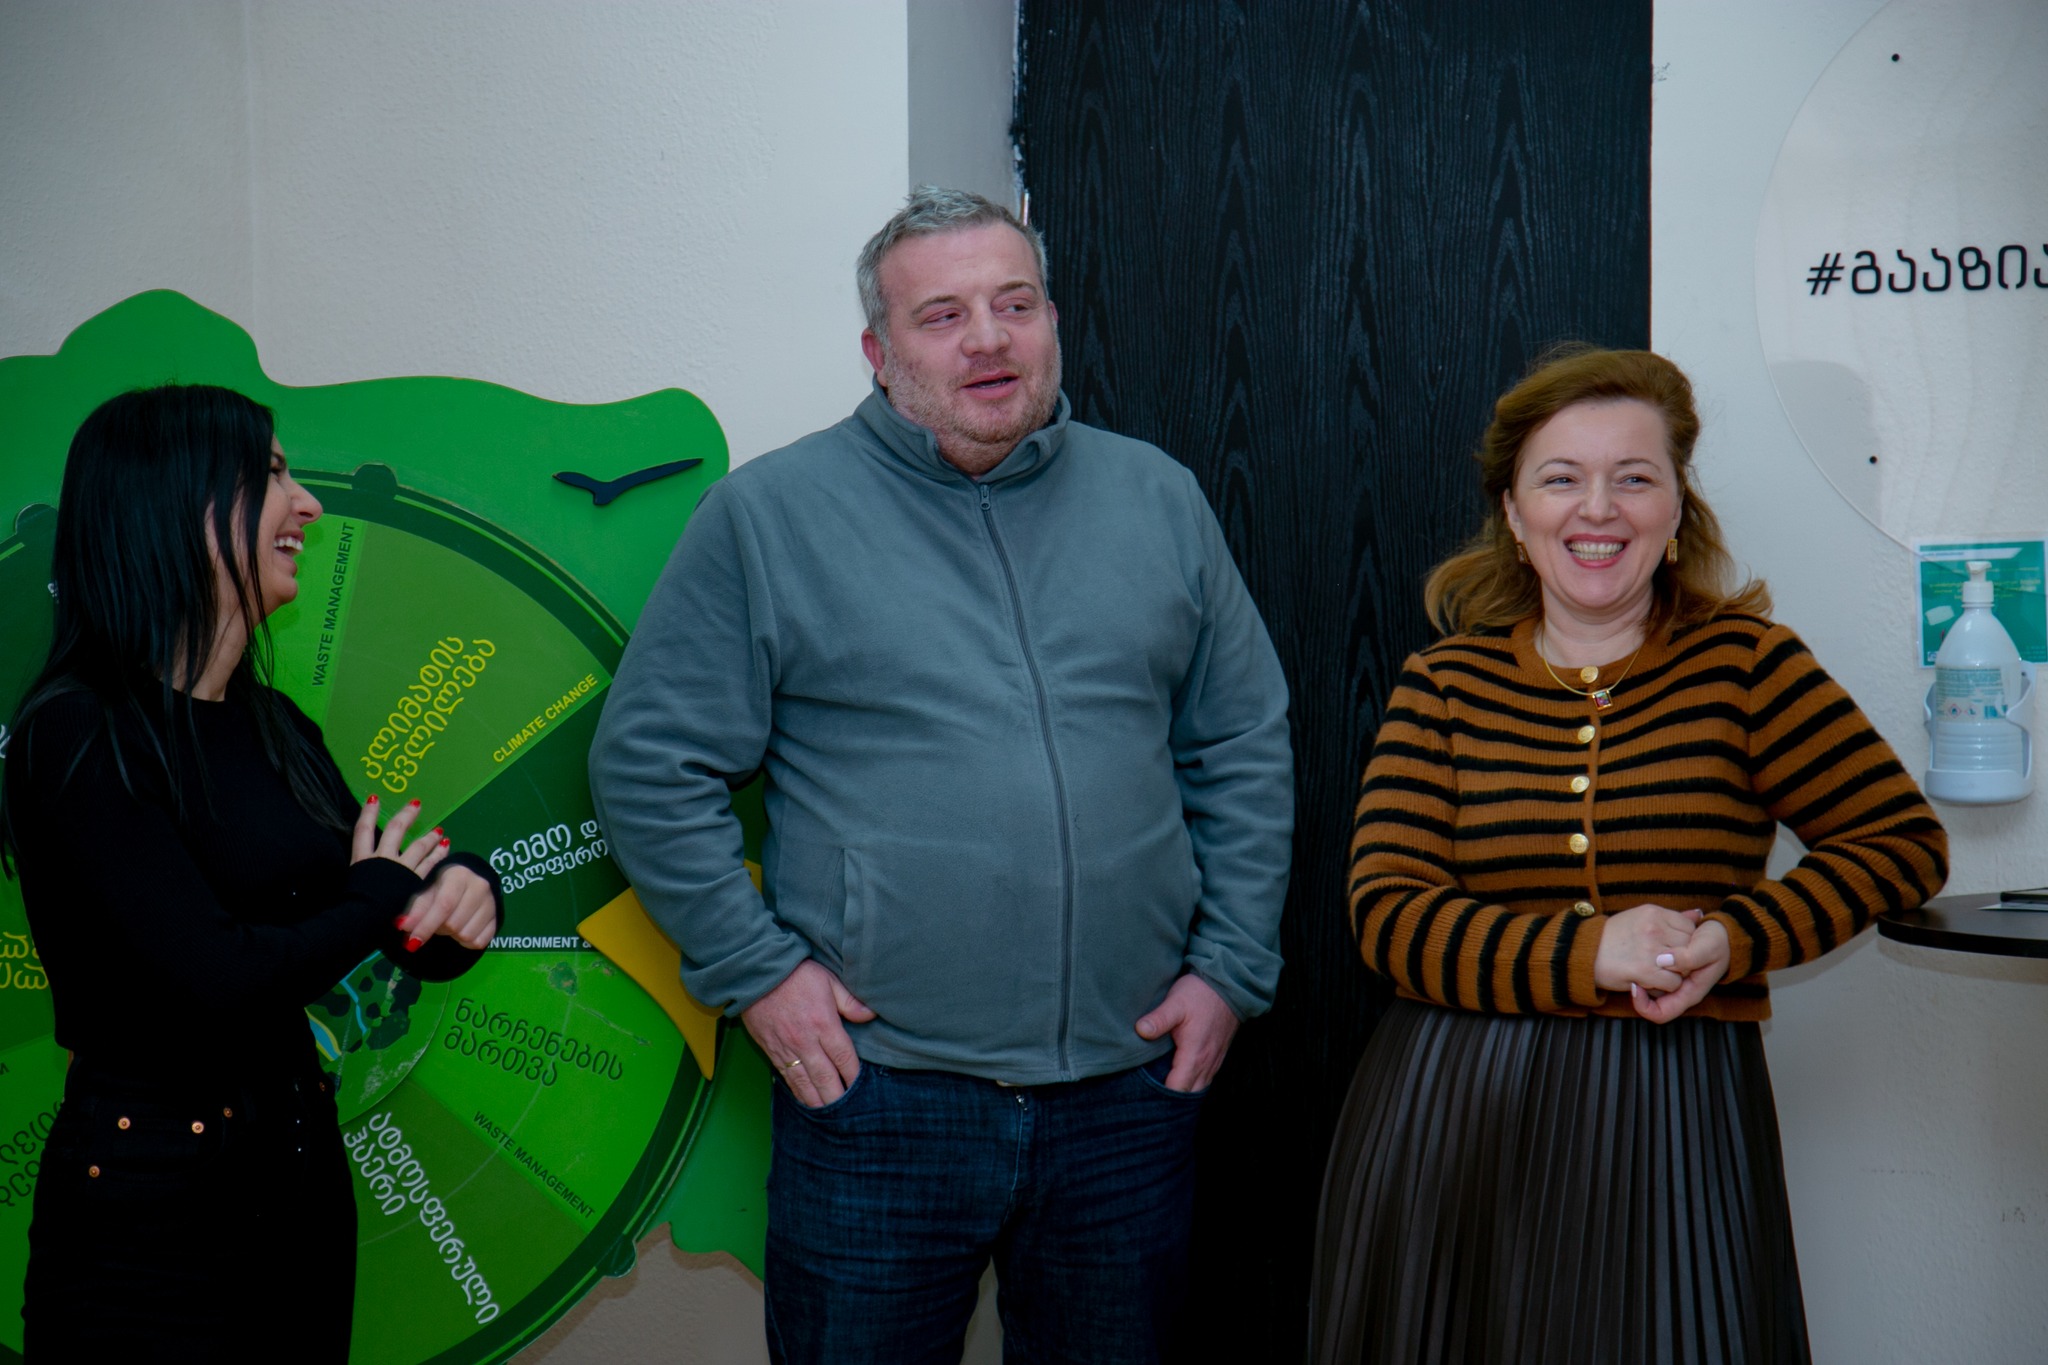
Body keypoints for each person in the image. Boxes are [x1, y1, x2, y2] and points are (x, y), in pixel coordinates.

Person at [589, 186, 1293, 1364]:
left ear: (1051, 321)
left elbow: (1240, 741)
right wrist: (759, 974)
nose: (987, 339)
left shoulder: (1157, 497)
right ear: (877, 352)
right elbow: (649, 764)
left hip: (1127, 1094)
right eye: (943, 315)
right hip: (880, 1100)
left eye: (1014, 304)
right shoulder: (768, 516)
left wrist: (1227, 967)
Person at [1310, 347, 1947, 1364]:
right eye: (1560, 478)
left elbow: (1900, 844)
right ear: (1514, 512)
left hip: (1672, 1117)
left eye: (1634, 477)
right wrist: (1587, 953)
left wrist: (1736, 936)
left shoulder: (1747, 665)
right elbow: (1388, 915)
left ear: (1676, 506)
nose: (1596, 509)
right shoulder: (1443, 685)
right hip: (1453, 1112)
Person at [0, 385, 501, 1362]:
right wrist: (380, 895)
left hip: (297, 1178)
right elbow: (219, 979)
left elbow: (385, 904)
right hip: (148, 1211)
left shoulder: (275, 726)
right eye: (269, 473)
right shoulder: (77, 733)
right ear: (172, 502)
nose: (306, 503)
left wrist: (460, 894)